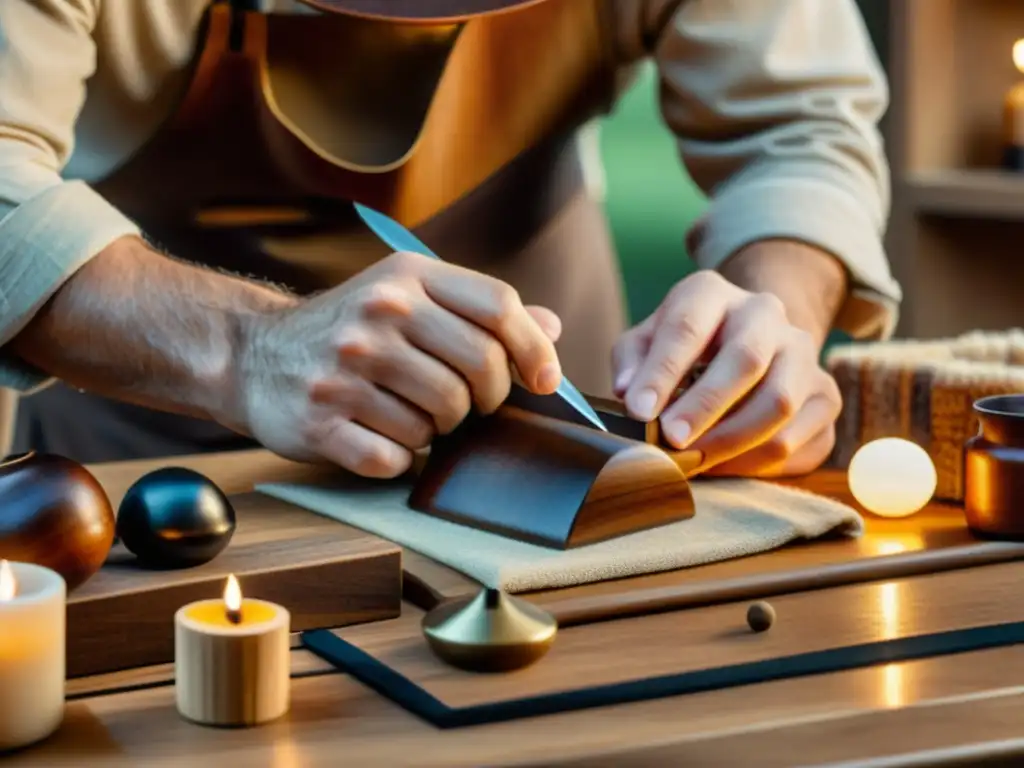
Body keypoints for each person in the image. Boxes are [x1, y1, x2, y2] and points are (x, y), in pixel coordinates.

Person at [0, 0, 901, 479]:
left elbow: (799, 130)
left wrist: (775, 315)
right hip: (142, 447)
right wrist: (248, 348)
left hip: (548, 435)